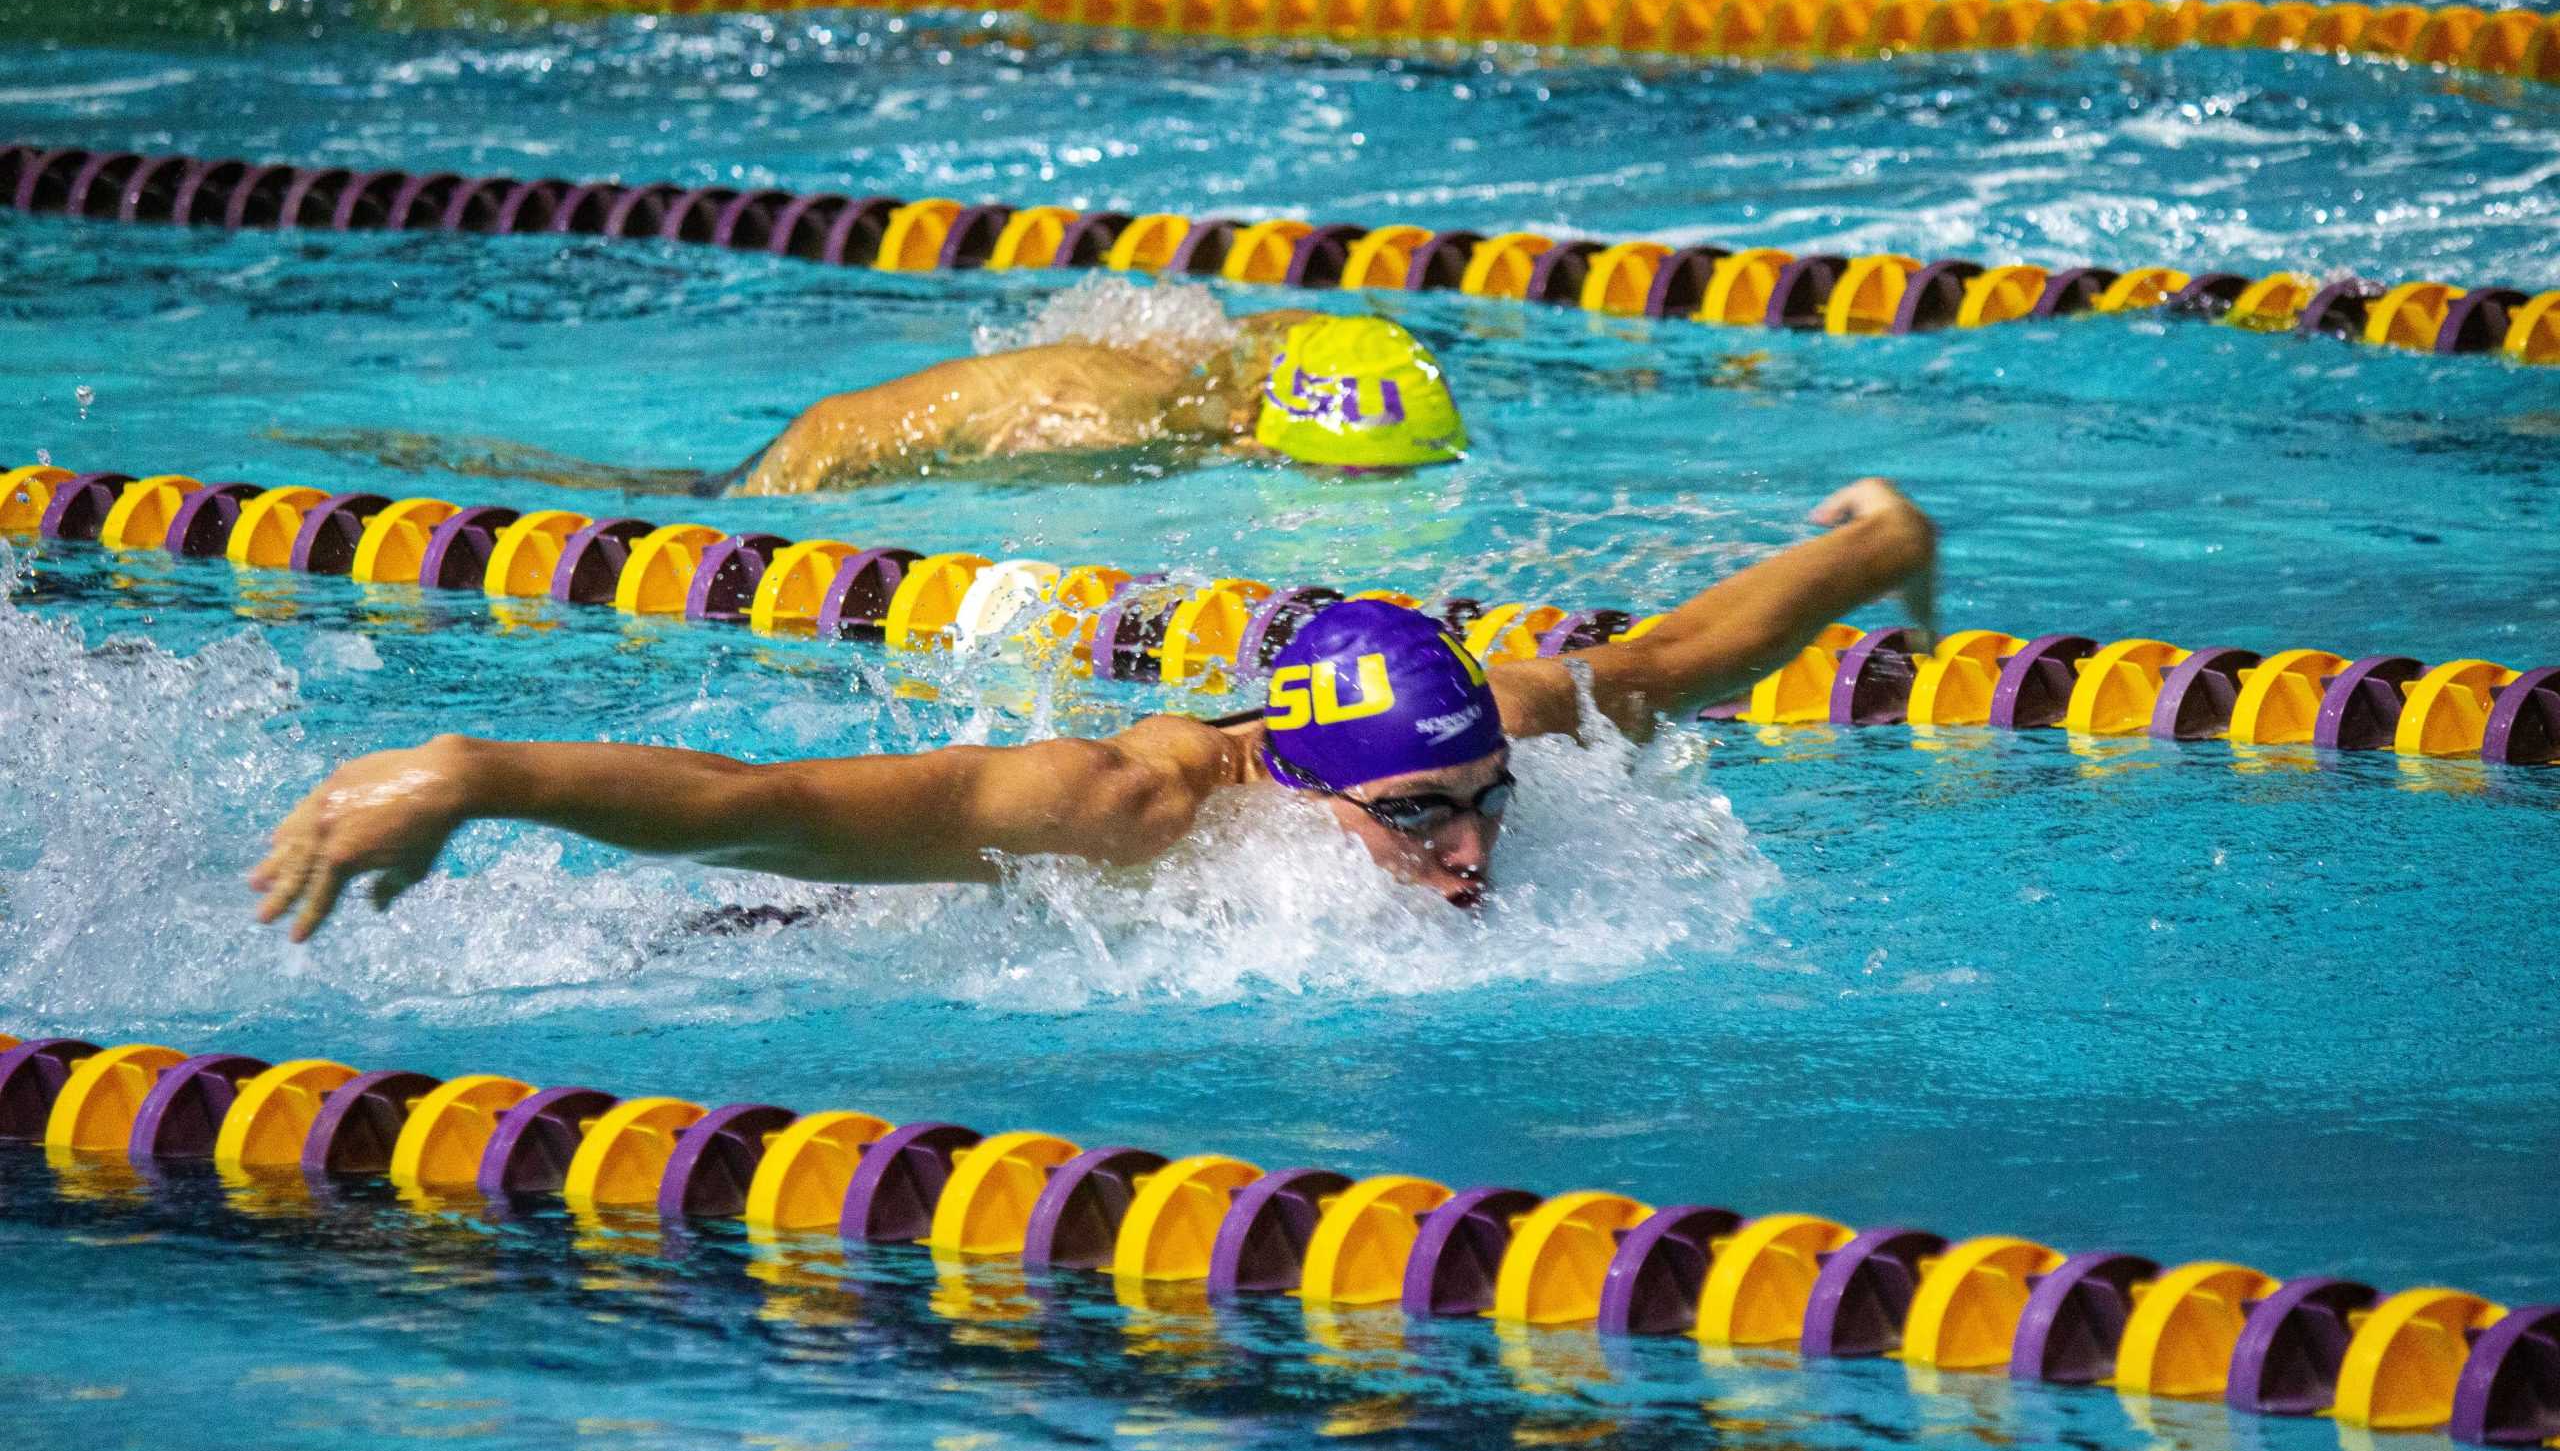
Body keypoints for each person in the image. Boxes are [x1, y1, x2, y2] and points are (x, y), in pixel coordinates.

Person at [251, 477, 1935, 940]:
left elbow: (1698, 652)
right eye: (1415, 816)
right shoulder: (1132, 806)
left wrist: (1876, 547)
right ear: (1301, 776)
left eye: (1483, 796)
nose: (1469, 845)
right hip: (776, 924)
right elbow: (769, 801)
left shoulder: (1480, 719)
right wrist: (478, 772)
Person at [268, 311, 1469, 497]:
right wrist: (747, 525)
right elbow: (839, 426)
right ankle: (388, 449)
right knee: (618, 501)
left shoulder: (1283, 363)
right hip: (797, 468)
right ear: (1270, 432)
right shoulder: (1101, 409)